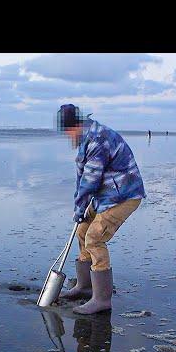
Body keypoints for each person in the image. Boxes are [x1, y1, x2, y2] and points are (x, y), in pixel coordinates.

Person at [56, 104, 146, 314]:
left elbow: (90, 180)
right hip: (104, 196)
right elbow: (83, 178)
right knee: (82, 231)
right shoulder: (86, 137)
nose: (68, 136)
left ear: (74, 126)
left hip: (124, 196)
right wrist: (80, 208)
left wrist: (79, 206)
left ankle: (102, 299)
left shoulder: (98, 139)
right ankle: (85, 286)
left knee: (95, 237)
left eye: (68, 131)